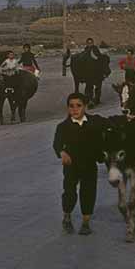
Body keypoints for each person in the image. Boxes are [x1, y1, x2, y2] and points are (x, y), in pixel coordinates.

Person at [53, 92, 103, 235]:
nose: (75, 109)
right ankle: (67, 216)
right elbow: (57, 144)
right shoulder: (62, 127)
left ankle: (86, 222)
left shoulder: (94, 122)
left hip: (89, 163)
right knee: (69, 192)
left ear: (85, 107)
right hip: (71, 165)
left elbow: (108, 127)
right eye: (71, 106)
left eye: (78, 106)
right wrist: (62, 153)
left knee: (88, 192)